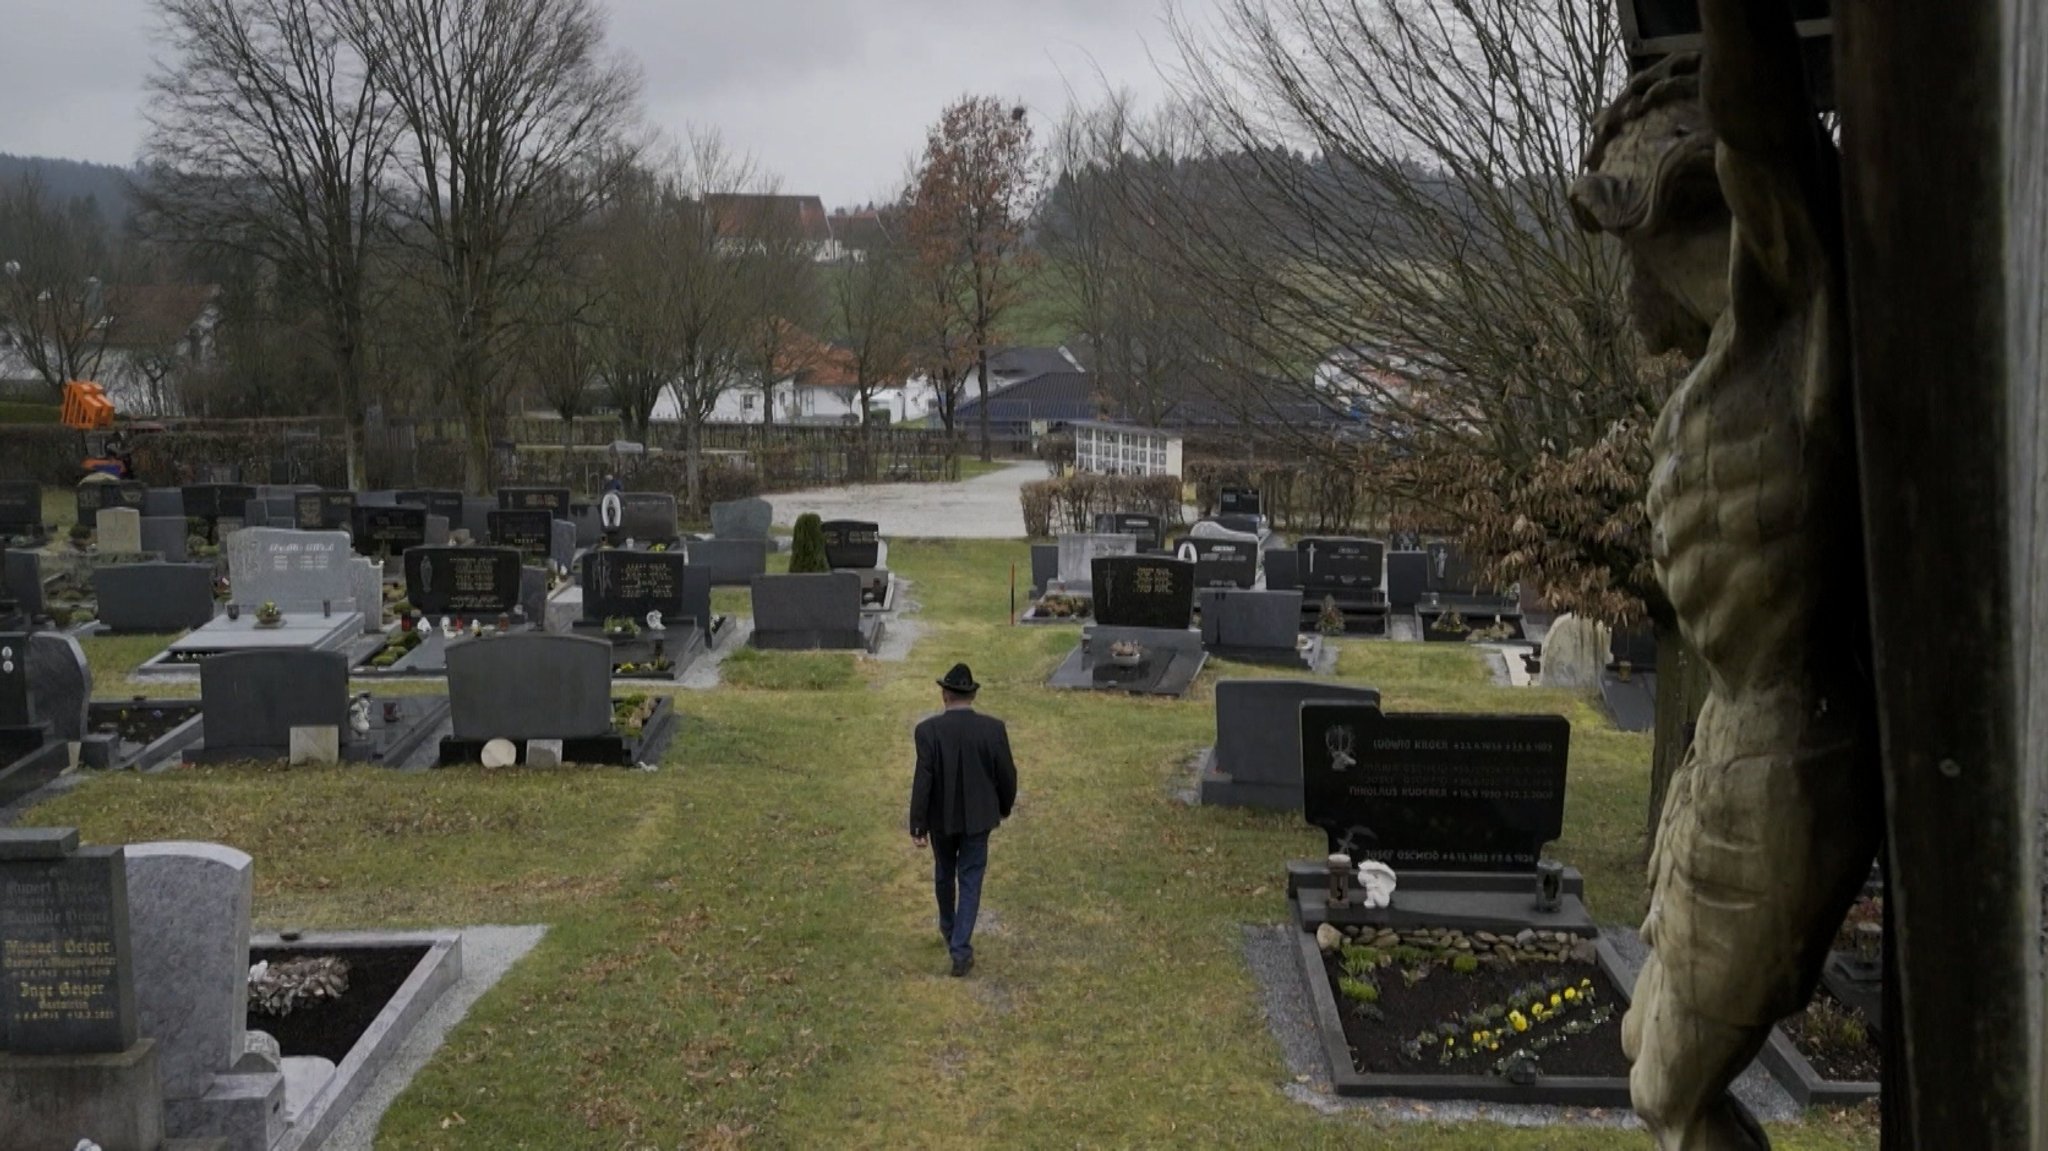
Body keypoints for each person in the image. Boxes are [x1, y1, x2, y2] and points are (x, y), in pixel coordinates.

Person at [909, 663, 1017, 977]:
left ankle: (949, 928)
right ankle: (960, 947)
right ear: (971, 696)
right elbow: (1007, 774)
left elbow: (923, 780)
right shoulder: (993, 730)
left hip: (941, 819)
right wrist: (1005, 806)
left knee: (944, 872)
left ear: (945, 695)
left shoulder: (928, 731)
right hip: (979, 818)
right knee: (970, 879)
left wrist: (918, 824)